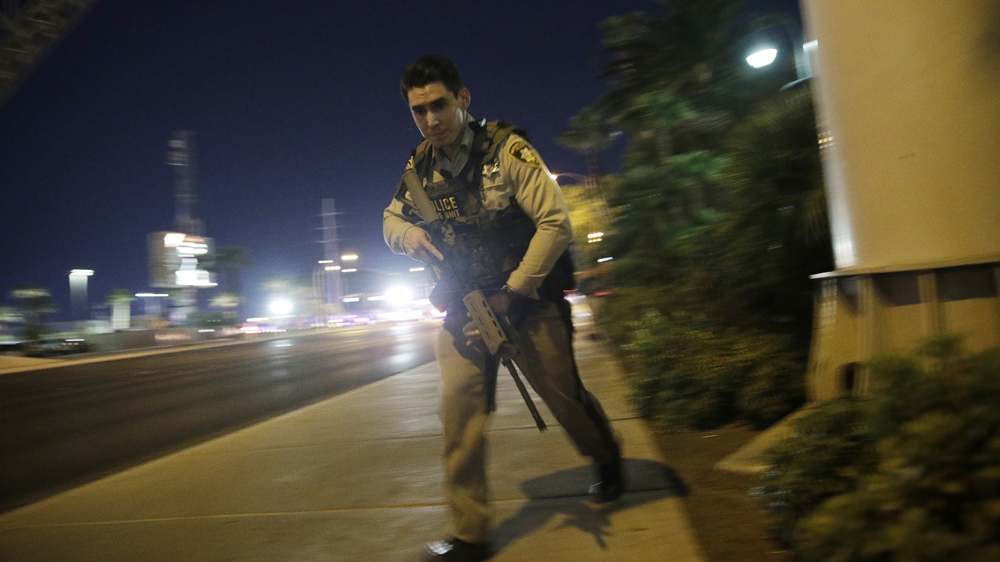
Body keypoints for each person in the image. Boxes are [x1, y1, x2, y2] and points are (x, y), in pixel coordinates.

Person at [383, 55, 623, 562]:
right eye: (419, 111)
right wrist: (409, 234)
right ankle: (470, 533)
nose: (431, 120)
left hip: (527, 301)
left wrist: (513, 293)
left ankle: (606, 459)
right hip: (465, 305)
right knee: (458, 409)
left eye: (439, 105)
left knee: (563, 398)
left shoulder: (506, 151)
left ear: (462, 99)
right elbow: (389, 220)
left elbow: (556, 224)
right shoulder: (418, 168)